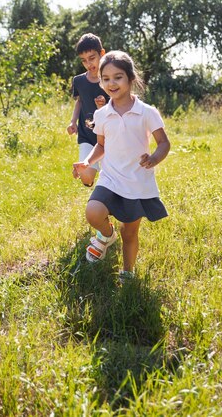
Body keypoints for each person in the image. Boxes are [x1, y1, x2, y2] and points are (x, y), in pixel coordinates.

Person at [73, 50, 170, 282]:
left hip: (136, 182)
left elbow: (164, 143)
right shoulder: (102, 114)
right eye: (105, 78)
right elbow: (101, 146)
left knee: (130, 232)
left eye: (117, 77)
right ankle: (106, 235)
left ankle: (127, 273)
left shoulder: (147, 112)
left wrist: (154, 158)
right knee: (93, 212)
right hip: (111, 178)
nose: (111, 83)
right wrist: (87, 162)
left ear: (130, 78)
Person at [67, 33, 109, 187]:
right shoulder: (79, 81)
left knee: (111, 177)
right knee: (86, 178)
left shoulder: (110, 79)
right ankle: (86, 173)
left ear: (102, 54)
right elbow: (79, 101)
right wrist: (73, 122)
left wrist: (104, 107)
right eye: (84, 60)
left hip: (108, 136)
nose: (88, 64)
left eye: (92, 58)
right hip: (87, 134)